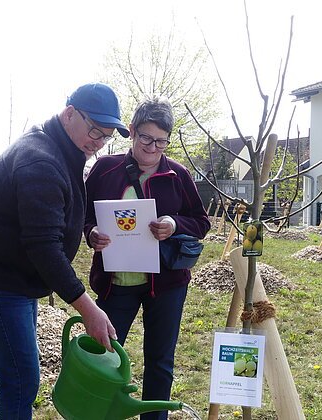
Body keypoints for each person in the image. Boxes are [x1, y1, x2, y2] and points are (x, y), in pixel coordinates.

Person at [0, 83, 130, 420]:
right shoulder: (40, 161)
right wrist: (88, 308)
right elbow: (43, 247)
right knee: (20, 380)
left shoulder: (62, 149)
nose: (98, 142)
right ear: (70, 113)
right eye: (95, 130)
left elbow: (49, 225)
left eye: (106, 136)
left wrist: (83, 233)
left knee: (21, 375)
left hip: (14, 277)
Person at [84, 97, 210, 420]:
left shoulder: (177, 175)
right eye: (146, 138)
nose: (153, 148)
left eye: (161, 141)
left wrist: (173, 223)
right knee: (104, 355)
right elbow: (82, 216)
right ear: (132, 132)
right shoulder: (104, 170)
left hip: (166, 284)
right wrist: (92, 233)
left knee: (159, 362)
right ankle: (97, 413)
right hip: (117, 283)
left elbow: (201, 221)